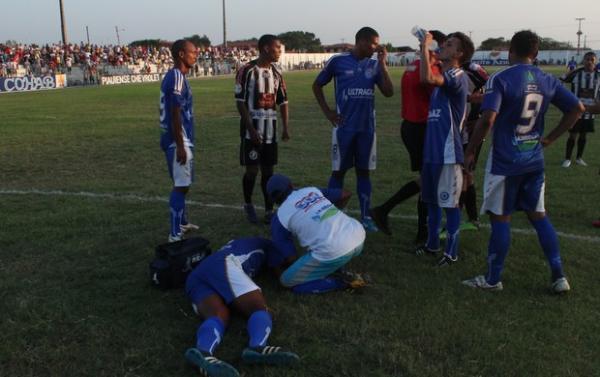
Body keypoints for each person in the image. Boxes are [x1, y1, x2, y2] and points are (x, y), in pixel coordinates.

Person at [462, 30, 584, 292]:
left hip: (506, 161)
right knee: (539, 216)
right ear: (536, 54)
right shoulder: (547, 79)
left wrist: (470, 150)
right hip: (533, 160)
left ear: (510, 51)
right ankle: (559, 276)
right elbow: (578, 108)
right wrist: (550, 138)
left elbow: (488, 119)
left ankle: (493, 280)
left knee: (501, 218)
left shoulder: (501, 78)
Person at [312, 26, 394, 232]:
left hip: (367, 129)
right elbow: (317, 85)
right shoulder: (338, 61)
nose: (376, 47)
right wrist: (328, 112)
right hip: (344, 129)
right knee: (338, 172)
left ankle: (366, 216)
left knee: (364, 172)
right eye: (374, 43)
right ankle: (332, 217)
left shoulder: (375, 65)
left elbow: (389, 92)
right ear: (362, 42)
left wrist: (383, 65)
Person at [370, 30, 447, 243]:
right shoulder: (427, 68)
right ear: (435, 48)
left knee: (427, 180)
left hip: (413, 127)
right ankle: (419, 231)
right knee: (428, 181)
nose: (445, 51)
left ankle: (397, 218)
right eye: (444, 46)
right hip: (422, 129)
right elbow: (432, 85)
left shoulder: (413, 65)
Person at [184, 237, 299, 377]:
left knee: (218, 315)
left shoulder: (241, 242)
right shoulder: (270, 245)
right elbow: (284, 275)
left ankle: (203, 353)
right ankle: (258, 347)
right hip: (225, 263)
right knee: (259, 309)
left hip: (197, 274)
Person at [415, 31, 474, 266]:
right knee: (430, 201)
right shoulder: (444, 76)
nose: (443, 46)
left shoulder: (457, 75)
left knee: (449, 204)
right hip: (432, 151)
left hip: (448, 152)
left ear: (459, 54)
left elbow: (427, 78)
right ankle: (432, 245)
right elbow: (426, 79)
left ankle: (451, 253)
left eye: (449, 45)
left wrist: (424, 47)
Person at [267, 174, 368, 294]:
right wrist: (330, 218)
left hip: (334, 250)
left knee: (286, 281)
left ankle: (344, 282)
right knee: (329, 250)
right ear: (291, 185)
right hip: (358, 235)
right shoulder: (310, 190)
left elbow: (291, 258)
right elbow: (345, 194)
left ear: (274, 200)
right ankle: (337, 268)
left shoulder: (279, 218)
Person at [235, 34, 289, 225]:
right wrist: (251, 128)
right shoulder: (247, 70)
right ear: (266, 48)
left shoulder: (277, 73)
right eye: (277, 48)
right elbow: (240, 102)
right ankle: (248, 204)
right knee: (252, 171)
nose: (280, 52)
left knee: (268, 172)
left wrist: (285, 127)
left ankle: (268, 210)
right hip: (252, 131)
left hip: (270, 131)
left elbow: (283, 101)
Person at [159, 39, 199, 242]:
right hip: (177, 140)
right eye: (193, 52)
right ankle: (174, 233)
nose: (196, 55)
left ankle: (182, 223)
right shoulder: (176, 76)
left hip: (180, 139)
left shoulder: (179, 76)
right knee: (181, 186)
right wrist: (181, 145)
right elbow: (175, 111)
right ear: (181, 54)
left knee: (184, 183)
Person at [560, 51, 600, 168]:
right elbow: (560, 80)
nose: (589, 62)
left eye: (592, 60)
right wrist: (566, 98)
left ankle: (579, 158)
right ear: (583, 60)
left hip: (590, 111)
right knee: (573, 135)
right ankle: (567, 159)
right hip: (575, 111)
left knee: (584, 135)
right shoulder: (576, 73)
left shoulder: (598, 75)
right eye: (587, 59)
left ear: (595, 61)